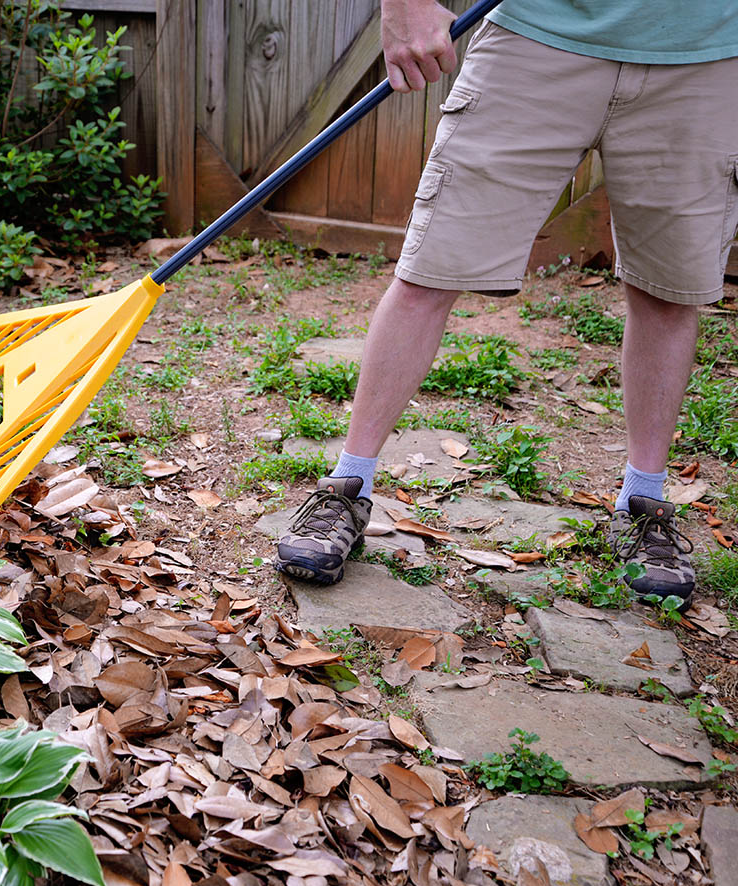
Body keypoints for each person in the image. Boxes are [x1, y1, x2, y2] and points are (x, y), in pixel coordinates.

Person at [276, 0, 738, 608]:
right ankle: (346, 486)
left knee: (670, 293)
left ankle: (643, 502)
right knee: (427, 272)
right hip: (539, 37)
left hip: (706, 56)